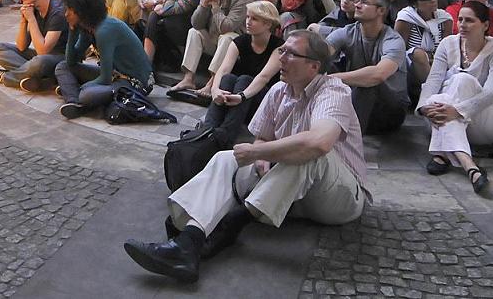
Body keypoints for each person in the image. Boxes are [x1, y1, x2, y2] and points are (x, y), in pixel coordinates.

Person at [122, 29, 366, 284]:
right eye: (281, 50)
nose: (281, 57)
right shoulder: (279, 91)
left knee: (309, 153)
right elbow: (262, 138)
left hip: (338, 198)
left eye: (290, 53)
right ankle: (189, 241)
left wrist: (258, 151)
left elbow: (319, 142)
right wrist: (259, 155)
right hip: (290, 193)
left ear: (314, 66)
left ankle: (233, 222)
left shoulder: (332, 91)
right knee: (227, 158)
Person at [417, 1, 493, 193]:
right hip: (444, 115)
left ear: (485, 25)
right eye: (460, 19)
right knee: (440, 96)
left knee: (461, 80)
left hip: (485, 123)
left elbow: (491, 93)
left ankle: (442, 154)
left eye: (469, 20)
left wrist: (458, 110)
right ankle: (470, 166)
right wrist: (424, 107)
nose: (462, 25)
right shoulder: (447, 44)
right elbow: (433, 81)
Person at [55, 0, 154, 118]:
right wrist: (72, 32)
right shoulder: (88, 27)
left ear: (83, 12)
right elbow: (70, 61)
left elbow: (105, 78)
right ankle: (74, 102)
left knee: (86, 94)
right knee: (62, 67)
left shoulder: (105, 30)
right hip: (115, 76)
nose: (66, 14)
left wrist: (83, 87)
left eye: (70, 10)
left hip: (135, 83)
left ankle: (75, 94)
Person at [197, 0, 284, 142]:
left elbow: (264, 77)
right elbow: (224, 69)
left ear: (268, 24)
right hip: (238, 96)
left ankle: (225, 135)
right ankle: (208, 130)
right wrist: (215, 91)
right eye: (248, 17)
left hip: (263, 100)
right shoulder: (240, 41)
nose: (248, 22)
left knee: (244, 79)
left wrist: (241, 96)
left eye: (254, 19)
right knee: (228, 79)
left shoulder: (279, 47)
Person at [326, 0, 409, 135]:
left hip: (389, 111)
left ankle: (348, 144)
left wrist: (329, 79)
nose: (356, 5)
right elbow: (320, 55)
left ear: (381, 10)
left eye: (364, 2)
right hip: (355, 103)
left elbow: (378, 74)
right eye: (357, 1)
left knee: (368, 83)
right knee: (318, 65)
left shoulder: (393, 40)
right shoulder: (348, 32)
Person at [170, 0, 251, 95]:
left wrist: (215, 7)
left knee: (228, 37)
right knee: (194, 32)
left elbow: (227, 27)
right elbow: (196, 24)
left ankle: (213, 82)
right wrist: (203, 5)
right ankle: (189, 78)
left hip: (235, 49)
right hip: (213, 40)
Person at [0, 0, 68, 92]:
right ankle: (43, 79)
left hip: (62, 60)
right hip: (42, 59)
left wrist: (31, 19)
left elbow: (43, 51)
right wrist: (24, 20)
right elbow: (22, 46)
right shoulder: (33, 8)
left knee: (39, 61)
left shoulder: (57, 12)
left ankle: (7, 77)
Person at [396, 0, 453, 86]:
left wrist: (434, 60)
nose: (433, 0)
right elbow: (398, 50)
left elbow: (448, 50)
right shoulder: (405, 18)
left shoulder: (445, 19)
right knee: (418, 54)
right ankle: (431, 91)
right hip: (411, 67)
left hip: (439, 63)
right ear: (414, 2)